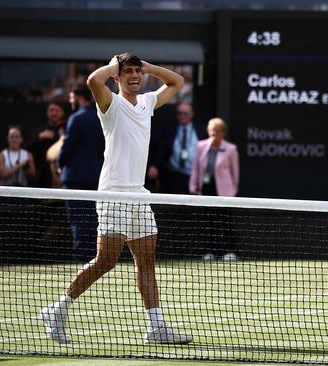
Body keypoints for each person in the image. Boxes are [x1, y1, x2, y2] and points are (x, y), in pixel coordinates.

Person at [41, 53, 192, 344]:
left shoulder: (148, 102)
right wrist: (115, 66)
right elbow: (92, 80)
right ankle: (57, 309)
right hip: (112, 193)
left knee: (146, 262)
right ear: (117, 77)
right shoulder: (109, 103)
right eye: (128, 72)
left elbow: (177, 81)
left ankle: (156, 326)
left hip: (139, 194)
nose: (135, 76)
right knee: (105, 261)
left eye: (138, 72)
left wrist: (147, 67)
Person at [58, 85, 104, 262]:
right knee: (92, 219)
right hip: (95, 177)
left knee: (78, 220)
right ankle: (94, 258)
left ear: (78, 97)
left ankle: (80, 258)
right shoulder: (99, 118)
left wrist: (60, 164)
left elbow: (67, 147)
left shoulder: (76, 118)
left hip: (76, 178)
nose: (70, 101)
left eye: (71, 97)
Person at [189, 118, 240, 261]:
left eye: (217, 131)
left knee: (226, 221)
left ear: (223, 133)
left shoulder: (230, 149)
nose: (213, 134)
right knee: (209, 222)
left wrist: (232, 191)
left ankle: (230, 251)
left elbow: (235, 173)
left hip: (225, 192)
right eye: (211, 131)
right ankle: (211, 251)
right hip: (206, 190)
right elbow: (196, 169)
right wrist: (193, 186)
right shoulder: (201, 146)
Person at [148, 102, 206, 194]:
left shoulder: (202, 130)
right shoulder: (169, 131)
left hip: (194, 177)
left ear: (192, 114)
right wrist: (156, 166)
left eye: (185, 114)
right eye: (179, 113)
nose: (182, 116)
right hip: (173, 176)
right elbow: (162, 151)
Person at [26, 102, 66, 188]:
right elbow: (28, 147)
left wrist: (57, 137)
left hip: (62, 173)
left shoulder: (67, 129)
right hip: (43, 175)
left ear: (62, 113)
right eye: (51, 110)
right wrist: (40, 137)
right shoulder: (40, 131)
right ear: (47, 113)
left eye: (57, 110)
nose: (54, 113)